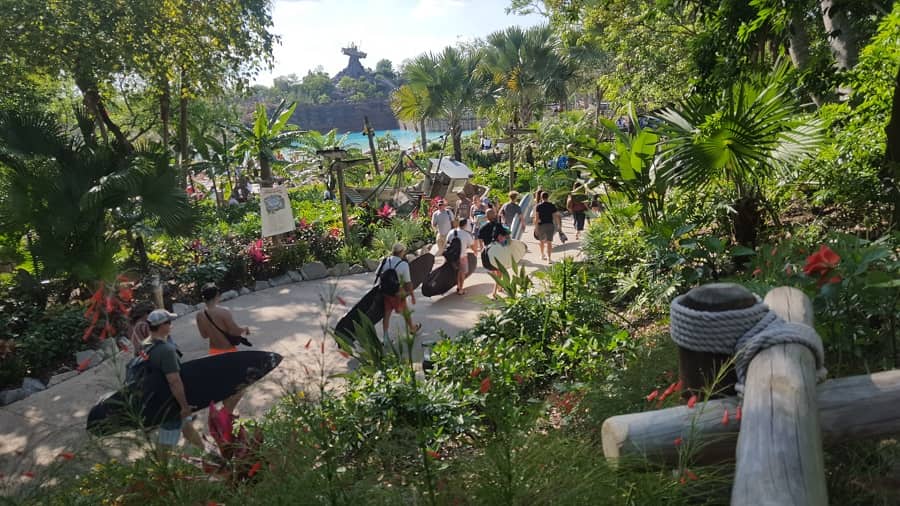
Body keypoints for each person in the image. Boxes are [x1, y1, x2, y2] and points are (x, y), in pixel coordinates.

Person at [145, 309, 205, 455]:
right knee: (167, 441)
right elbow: (174, 381)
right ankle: (161, 471)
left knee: (187, 427)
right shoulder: (166, 350)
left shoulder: (145, 344)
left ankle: (206, 452)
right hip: (170, 403)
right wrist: (184, 406)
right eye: (169, 322)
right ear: (162, 326)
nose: (171, 325)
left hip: (158, 396)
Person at [196, 283, 251, 414]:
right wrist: (245, 329)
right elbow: (234, 331)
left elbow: (204, 335)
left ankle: (228, 415)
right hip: (229, 353)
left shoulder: (199, 315)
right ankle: (225, 414)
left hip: (214, 352)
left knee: (227, 387)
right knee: (241, 386)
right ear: (217, 296)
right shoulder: (223, 312)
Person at [377, 242, 421, 341]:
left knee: (387, 314)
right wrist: (412, 295)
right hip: (398, 293)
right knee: (405, 312)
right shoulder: (403, 265)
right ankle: (412, 328)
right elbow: (408, 282)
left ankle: (385, 337)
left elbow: (378, 274)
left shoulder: (384, 261)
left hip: (386, 292)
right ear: (401, 252)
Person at [446, 218, 475, 295]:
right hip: (462, 256)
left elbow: (447, 243)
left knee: (457, 271)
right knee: (462, 272)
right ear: (465, 225)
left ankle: (458, 286)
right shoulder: (466, 234)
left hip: (452, 257)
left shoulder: (451, 232)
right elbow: (472, 246)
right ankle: (460, 289)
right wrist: (475, 251)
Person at [533, 191, 560, 263]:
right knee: (549, 242)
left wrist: (536, 227)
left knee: (541, 241)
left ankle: (542, 255)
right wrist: (557, 226)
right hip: (550, 224)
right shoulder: (552, 205)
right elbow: (555, 216)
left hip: (541, 225)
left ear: (541, 197)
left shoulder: (538, 206)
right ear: (548, 197)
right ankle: (549, 258)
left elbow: (537, 218)